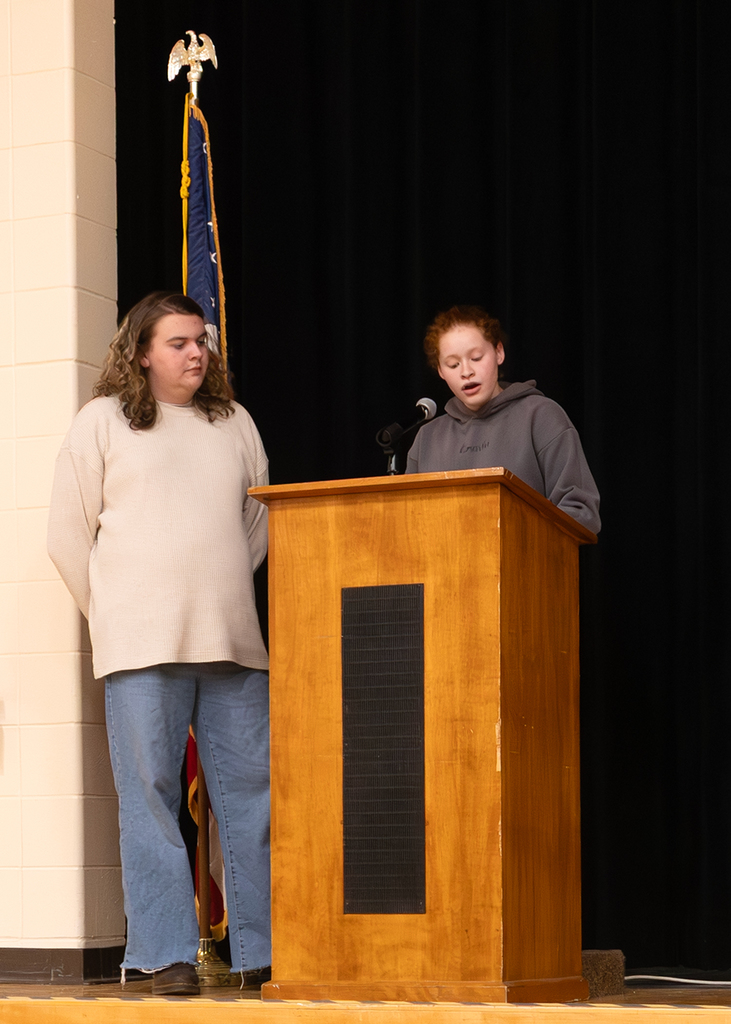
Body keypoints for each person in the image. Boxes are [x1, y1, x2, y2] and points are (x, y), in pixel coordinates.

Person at [47, 292, 271, 996]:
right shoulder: (102, 422)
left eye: (201, 340)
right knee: (148, 795)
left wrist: (218, 585)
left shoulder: (233, 422)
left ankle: (259, 951)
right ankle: (163, 952)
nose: (196, 352)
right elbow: (65, 536)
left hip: (232, 641)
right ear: (141, 351)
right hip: (138, 644)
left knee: (252, 796)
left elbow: (259, 525)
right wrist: (111, 614)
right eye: (178, 342)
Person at [406, 305, 601, 533]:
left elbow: (581, 511)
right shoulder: (426, 439)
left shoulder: (541, 416)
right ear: (440, 370)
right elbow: (410, 524)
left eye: (476, 357)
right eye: (453, 364)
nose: (466, 371)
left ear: (499, 352)